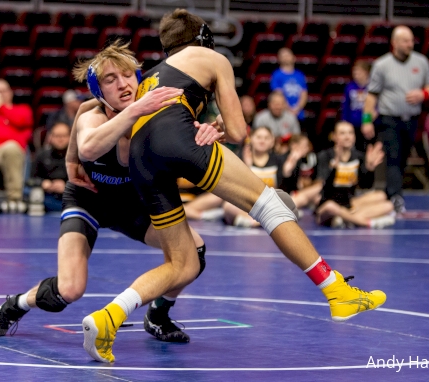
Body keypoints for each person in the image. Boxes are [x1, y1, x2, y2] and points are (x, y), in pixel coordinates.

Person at [82, 9, 386, 363]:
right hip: (175, 141)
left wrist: (206, 125)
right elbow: (241, 132)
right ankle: (337, 291)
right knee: (270, 205)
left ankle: (108, 318)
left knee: (183, 264)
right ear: (201, 36)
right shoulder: (211, 57)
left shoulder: (151, 77)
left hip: (140, 160)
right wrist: (221, 127)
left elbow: (166, 121)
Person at [0, 42, 222, 344]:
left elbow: (196, 134)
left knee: (193, 253)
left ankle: (159, 313)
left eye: (126, 75)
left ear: (139, 78)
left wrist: (208, 131)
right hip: (88, 200)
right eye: (110, 80)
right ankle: (16, 304)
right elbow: (89, 146)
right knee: (68, 290)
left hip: (134, 206)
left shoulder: (159, 113)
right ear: (98, 92)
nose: (122, 84)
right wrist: (133, 112)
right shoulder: (93, 116)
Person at [361, 25, 429, 212]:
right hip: (389, 119)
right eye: (405, 41)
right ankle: (395, 196)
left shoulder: (421, 62)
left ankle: (389, 193)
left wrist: (423, 94)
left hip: (411, 118)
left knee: (402, 158)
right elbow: (372, 95)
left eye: (411, 40)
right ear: (394, 43)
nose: (410, 44)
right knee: (393, 156)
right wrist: (367, 119)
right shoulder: (382, 65)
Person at [314, 122, 395, 228]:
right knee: (331, 207)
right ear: (334, 136)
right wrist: (335, 168)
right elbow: (323, 187)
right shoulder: (325, 156)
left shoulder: (358, 157)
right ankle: (367, 222)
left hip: (348, 203)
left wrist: (369, 169)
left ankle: (343, 219)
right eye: (342, 133)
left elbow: (366, 185)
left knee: (386, 201)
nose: (347, 137)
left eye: (350, 133)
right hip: (327, 204)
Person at [31, 121, 70, 212]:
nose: (60, 139)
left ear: (70, 137)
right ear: (50, 137)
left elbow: (85, 181)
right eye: (57, 136)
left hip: (71, 197)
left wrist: (67, 186)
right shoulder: (41, 155)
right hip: (46, 198)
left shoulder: (77, 157)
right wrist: (43, 183)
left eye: (64, 136)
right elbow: (31, 179)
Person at [341, 60, 372, 151]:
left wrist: (368, 121)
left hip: (370, 124)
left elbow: (376, 107)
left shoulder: (372, 87)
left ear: (366, 72)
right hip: (353, 123)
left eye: (358, 72)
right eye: (354, 72)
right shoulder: (350, 87)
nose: (356, 75)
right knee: (356, 149)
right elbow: (346, 106)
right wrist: (344, 122)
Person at [271, 47, 307, 121]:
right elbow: (278, 94)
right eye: (283, 56)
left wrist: (297, 109)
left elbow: (303, 93)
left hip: (299, 113)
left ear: (294, 57)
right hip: (283, 113)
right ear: (279, 59)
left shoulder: (300, 75)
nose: (286, 58)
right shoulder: (277, 75)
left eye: (288, 55)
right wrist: (289, 110)